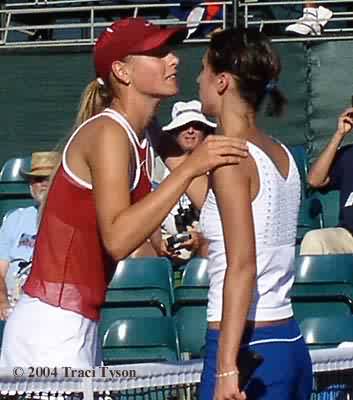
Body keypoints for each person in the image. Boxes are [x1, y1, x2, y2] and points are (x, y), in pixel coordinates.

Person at [0, 17, 248, 368]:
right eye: (157, 53)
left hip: (78, 325)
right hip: (50, 329)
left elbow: (211, 202)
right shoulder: (108, 134)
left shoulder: (147, 131)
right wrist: (192, 166)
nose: (173, 59)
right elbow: (117, 239)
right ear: (122, 71)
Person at [164, 27, 313, 400]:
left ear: (222, 81)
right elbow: (218, 207)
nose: (197, 79)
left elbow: (242, 265)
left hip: (248, 349)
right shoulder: (279, 152)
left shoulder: (232, 161)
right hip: (288, 344)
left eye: (203, 69)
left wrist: (227, 367)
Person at [0, 152, 58, 321]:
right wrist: (2, 303)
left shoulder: (73, 221)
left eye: (49, 178)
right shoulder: (14, 219)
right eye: (38, 179)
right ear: (30, 185)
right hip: (13, 305)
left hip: (50, 308)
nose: (43, 184)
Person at [158, 100, 216, 263]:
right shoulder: (156, 168)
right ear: (174, 132)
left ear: (206, 132)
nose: (190, 131)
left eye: (197, 126)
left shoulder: (217, 169)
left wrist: (200, 238)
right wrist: (157, 242)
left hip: (205, 245)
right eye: (183, 126)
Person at [300, 108, 353, 255]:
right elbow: (314, 180)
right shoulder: (348, 155)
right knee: (315, 239)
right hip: (349, 237)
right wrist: (339, 135)